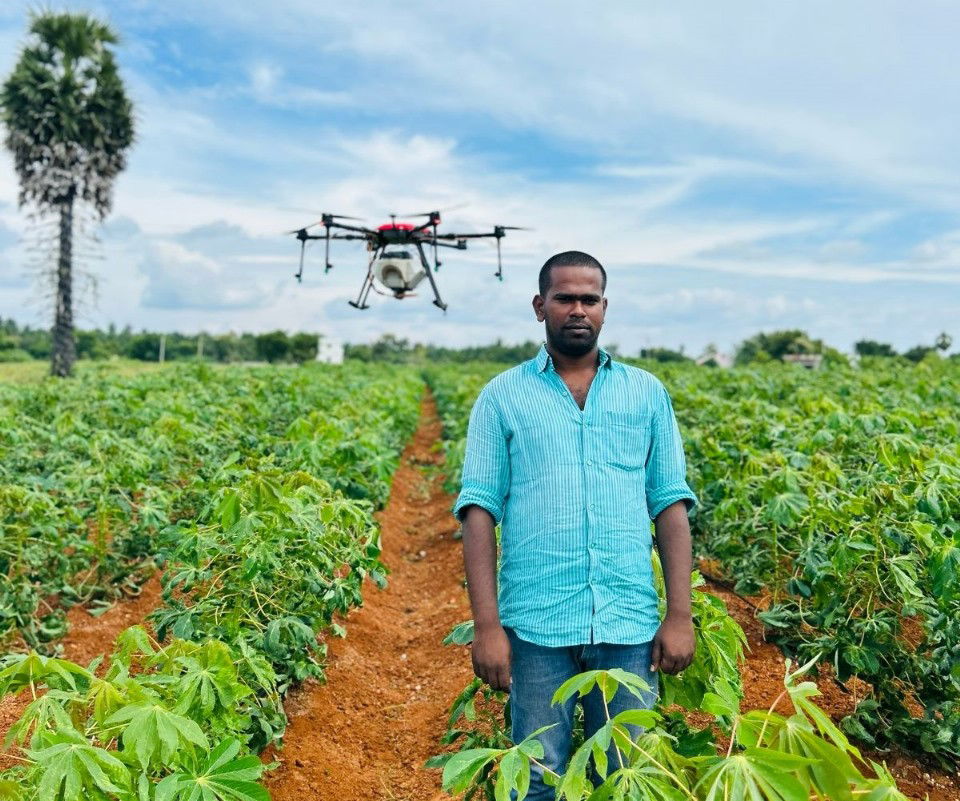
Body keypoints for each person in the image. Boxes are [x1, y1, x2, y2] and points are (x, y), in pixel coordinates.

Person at [453, 250, 697, 799]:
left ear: (605, 308)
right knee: (539, 780)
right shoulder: (502, 397)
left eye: (590, 299)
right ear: (540, 306)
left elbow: (670, 505)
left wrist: (680, 613)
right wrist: (487, 626)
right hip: (536, 625)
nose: (578, 309)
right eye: (565, 298)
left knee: (629, 778)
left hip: (628, 625)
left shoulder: (646, 393)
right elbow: (478, 511)